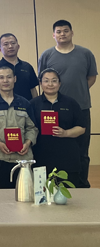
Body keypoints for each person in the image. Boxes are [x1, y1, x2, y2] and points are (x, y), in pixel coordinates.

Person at [38, 20, 97, 188]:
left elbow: (91, 77)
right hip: (53, 109)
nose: (62, 34)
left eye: (65, 31)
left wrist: (78, 93)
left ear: (72, 33)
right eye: (58, 31)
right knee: (54, 148)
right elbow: (43, 78)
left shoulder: (85, 53)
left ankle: (81, 184)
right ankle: (52, 185)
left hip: (81, 107)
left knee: (82, 150)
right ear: (53, 35)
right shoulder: (47, 55)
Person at [0, 65, 38, 189]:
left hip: (23, 158)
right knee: (3, 195)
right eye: (1, 77)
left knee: (24, 194)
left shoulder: (24, 103)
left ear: (15, 79)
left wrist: (27, 143)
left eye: (9, 77)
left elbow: (32, 128)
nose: (5, 81)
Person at [30, 68, 86, 188]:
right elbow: (28, 129)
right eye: (46, 81)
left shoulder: (70, 103)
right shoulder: (33, 104)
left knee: (68, 194)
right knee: (42, 194)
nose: (50, 84)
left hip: (67, 157)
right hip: (41, 157)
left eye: (54, 81)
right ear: (40, 83)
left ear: (59, 83)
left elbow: (82, 128)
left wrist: (65, 133)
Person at [0, 33, 39, 100]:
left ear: (18, 46)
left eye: (13, 43)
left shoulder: (27, 66)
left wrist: (35, 104)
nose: (10, 46)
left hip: (26, 105)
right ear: (0, 49)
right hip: (2, 105)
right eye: (6, 44)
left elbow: (33, 89)